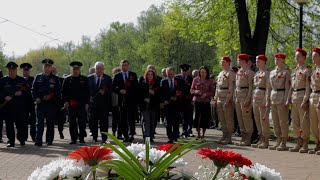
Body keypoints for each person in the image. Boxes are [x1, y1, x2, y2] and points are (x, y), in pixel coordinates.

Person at [32, 59, 61, 146]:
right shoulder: (38, 77)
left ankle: (49, 140)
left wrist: (51, 97)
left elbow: (58, 92)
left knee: (50, 123)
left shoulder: (55, 79)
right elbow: (33, 90)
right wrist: (36, 98)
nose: (47, 68)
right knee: (39, 123)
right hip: (40, 104)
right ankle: (38, 140)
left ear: (51, 67)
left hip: (50, 104)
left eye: (49, 66)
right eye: (45, 66)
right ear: (43, 67)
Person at [287, 48, 311, 153]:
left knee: (304, 122)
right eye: (295, 56)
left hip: (302, 96)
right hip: (294, 97)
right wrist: (288, 98)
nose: (296, 58)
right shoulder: (294, 70)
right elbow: (291, 87)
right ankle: (298, 142)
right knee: (295, 122)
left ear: (304, 58)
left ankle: (305, 143)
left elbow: (307, 86)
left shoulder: (307, 70)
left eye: (298, 56)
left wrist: (305, 100)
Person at [0, 62, 28, 147]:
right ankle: (11, 141)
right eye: (10, 70)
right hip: (8, 107)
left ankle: (21, 139)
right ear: (8, 70)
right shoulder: (3, 80)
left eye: (13, 70)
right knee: (9, 125)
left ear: (16, 70)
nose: (12, 72)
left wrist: (21, 93)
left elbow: (28, 92)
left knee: (21, 124)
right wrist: (5, 97)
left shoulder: (22, 80)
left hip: (20, 107)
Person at [62, 61, 90, 144]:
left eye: (77, 69)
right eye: (74, 69)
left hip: (81, 104)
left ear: (79, 70)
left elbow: (87, 92)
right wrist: (66, 101)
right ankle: (73, 139)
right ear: (72, 70)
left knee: (82, 122)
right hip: (71, 104)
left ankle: (81, 138)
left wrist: (87, 103)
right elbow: (63, 92)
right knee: (72, 122)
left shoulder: (84, 79)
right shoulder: (67, 79)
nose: (75, 71)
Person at [268, 53, 290, 151]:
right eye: (275, 59)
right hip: (273, 97)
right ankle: (278, 140)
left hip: (281, 97)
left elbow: (287, 87)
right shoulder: (272, 72)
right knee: (275, 121)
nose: (276, 60)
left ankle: (284, 142)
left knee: (283, 121)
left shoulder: (286, 72)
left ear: (283, 61)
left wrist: (286, 99)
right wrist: (268, 98)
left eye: (278, 59)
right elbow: (269, 87)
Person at [113, 60, 138, 142]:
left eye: (125, 65)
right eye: (122, 65)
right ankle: (125, 135)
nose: (124, 67)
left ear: (128, 66)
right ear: (120, 66)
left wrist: (129, 92)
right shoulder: (117, 76)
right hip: (122, 101)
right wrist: (119, 90)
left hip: (131, 100)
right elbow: (113, 87)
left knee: (131, 118)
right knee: (123, 119)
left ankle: (131, 134)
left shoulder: (133, 75)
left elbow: (136, 87)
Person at [87, 62, 112, 144]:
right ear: (95, 69)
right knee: (93, 121)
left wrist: (105, 92)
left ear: (103, 69)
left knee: (104, 122)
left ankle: (104, 138)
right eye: (97, 68)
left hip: (103, 104)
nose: (99, 70)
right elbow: (86, 90)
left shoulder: (108, 78)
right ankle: (94, 137)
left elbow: (111, 90)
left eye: (101, 68)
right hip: (93, 104)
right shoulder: (89, 78)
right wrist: (88, 98)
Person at [214, 56, 236, 145]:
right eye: (221, 61)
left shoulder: (231, 73)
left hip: (226, 97)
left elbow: (231, 87)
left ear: (228, 63)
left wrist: (228, 98)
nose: (222, 63)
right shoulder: (220, 73)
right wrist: (215, 97)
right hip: (219, 97)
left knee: (228, 118)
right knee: (221, 118)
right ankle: (224, 134)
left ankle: (229, 137)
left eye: (223, 62)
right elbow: (217, 86)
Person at [234, 54, 254, 146]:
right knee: (240, 117)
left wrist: (248, 98)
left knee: (246, 117)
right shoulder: (239, 71)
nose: (237, 62)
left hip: (245, 95)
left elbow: (251, 87)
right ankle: (243, 136)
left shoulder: (249, 72)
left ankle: (248, 138)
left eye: (239, 60)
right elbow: (236, 86)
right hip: (238, 96)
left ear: (243, 61)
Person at [251, 55, 271, 149]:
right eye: (256, 61)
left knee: (263, 120)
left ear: (263, 62)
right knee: (257, 119)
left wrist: (265, 100)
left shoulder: (267, 73)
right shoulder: (257, 73)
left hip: (262, 95)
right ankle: (261, 138)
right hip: (256, 96)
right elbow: (254, 86)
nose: (257, 62)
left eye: (258, 61)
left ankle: (266, 140)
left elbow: (268, 88)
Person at [190, 66, 214, 139]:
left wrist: (206, 94)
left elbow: (213, 92)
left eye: (204, 72)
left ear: (207, 73)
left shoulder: (210, 80)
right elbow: (191, 90)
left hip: (205, 101)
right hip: (197, 100)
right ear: (199, 72)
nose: (203, 73)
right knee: (197, 117)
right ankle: (198, 133)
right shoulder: (195, 79)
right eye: (202, 72)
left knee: (205, 117)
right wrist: (196, 91)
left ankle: (203, 134)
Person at [140, 69, 160, 142]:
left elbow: (159, 95)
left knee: (152, 122)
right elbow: (138, 95)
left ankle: (151, 136)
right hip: (145, 106)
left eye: (151, 74)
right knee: (146, 121)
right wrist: (144, 99)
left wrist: (154, 93)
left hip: (153, 106)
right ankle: (147, 137)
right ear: (146, 75)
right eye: (148, 74)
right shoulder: (142, 83)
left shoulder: (157, 84)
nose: (150, 76)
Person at [176, 64, 194, 138]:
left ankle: (185, 131)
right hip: (179, 101)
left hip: (188, 101)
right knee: (178, 117)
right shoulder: (177, 78)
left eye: (186, 71)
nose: (184, 72)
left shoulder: (191, 79)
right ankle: (177, 132)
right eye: (183, 71)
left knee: (187, 117)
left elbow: (192, 89)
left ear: (188, 71)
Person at [20, 63, 36, 142]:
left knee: (33, 120)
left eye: (27, 70)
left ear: (29, 71)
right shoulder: (19, 80)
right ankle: (24, 136)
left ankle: (33, 136)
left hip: (32, 102)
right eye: (24, 70)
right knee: (24, 120)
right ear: (22, 71)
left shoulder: (33, 79)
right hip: (23, 103)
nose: (26, 72)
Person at [309, 48, 320, 155]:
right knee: (313, 123)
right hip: (313, 95)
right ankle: (317, 143)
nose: (312, 58)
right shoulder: (313, 69)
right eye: (312, 56)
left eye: (315, 56)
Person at [51, 66, 66, 139]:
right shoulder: (47, 80)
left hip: (60, 103)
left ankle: (60, 131)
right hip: (51, 103)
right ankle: (51, 136)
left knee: (61, 120)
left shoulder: (61, 79)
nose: (53, 72)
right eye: (52, 71)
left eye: (54, 71)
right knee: (51, 120)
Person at [111, 67, 121, 138]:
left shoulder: (122, 81)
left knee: (120, 119)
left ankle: (119, 134)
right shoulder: (111, 81)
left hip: (121, 102)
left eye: (118, 72)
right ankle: (114, 131)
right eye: (115, 72)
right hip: (114, 102)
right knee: (114, 119)